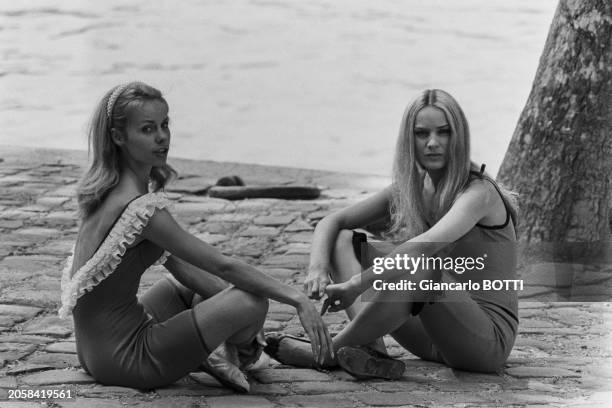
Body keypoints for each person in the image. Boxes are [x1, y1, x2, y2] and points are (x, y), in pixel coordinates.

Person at [58, 82, 333, 391]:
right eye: (147, 129)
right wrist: (297, 299)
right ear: (118, 137)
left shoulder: (107, 190)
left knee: (189, 287)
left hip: (96, 352)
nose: (162, 136)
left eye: (164, 125)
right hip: (131, 358)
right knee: (251, 301)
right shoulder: (141, 211)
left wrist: (223, 311)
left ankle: (217, 350)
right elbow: (224, 266)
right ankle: (230, 352)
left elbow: (185, 269)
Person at [265, 89, 519, 379]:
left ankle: (328, 352)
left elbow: (422, 249)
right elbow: (333, 221)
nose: (433, 143)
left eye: (444, 132)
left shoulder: (479, 192)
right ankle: (370, 352)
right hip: (430, 335)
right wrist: (318, 269)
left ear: (459, 137)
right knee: (344, 239)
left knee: (422, 266)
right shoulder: (413, 187)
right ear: (408, 140)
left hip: (484, 342)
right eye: (422, 134)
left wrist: (355, 285)